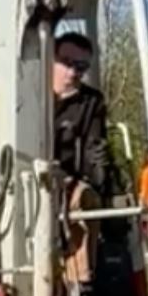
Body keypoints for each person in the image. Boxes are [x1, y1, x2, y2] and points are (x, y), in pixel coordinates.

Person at [51, 27, 114, 200]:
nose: (72, 73)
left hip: (69, 188)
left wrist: (96, 172)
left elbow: (93, 149)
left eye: (80, 67)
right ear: (52, 58)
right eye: (66, 62)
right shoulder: (27, 96)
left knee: (86, 200)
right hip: (22, 183)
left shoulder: (92, 101)